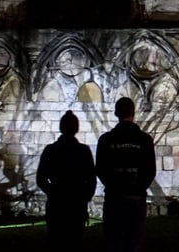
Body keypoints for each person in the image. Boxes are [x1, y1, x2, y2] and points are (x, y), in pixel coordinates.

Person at [96, 97, 156, 252]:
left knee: (114, 241)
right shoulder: (145, 140)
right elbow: (150, 170)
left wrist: (114, 185)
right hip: (136, 198)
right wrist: (138, 188)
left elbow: (101, 169)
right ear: (133, 113)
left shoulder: (106, 140)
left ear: (116, 113)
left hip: (114, 198)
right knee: (134, 242)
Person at [37, 110, 96, 252]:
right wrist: (85, 197)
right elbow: (91, 179)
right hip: (76, 202)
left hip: (57, 202)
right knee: (74, 241)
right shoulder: (83, 151)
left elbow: (41, 178)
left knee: (56, 241)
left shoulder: (51, 150)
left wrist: (53, 192)